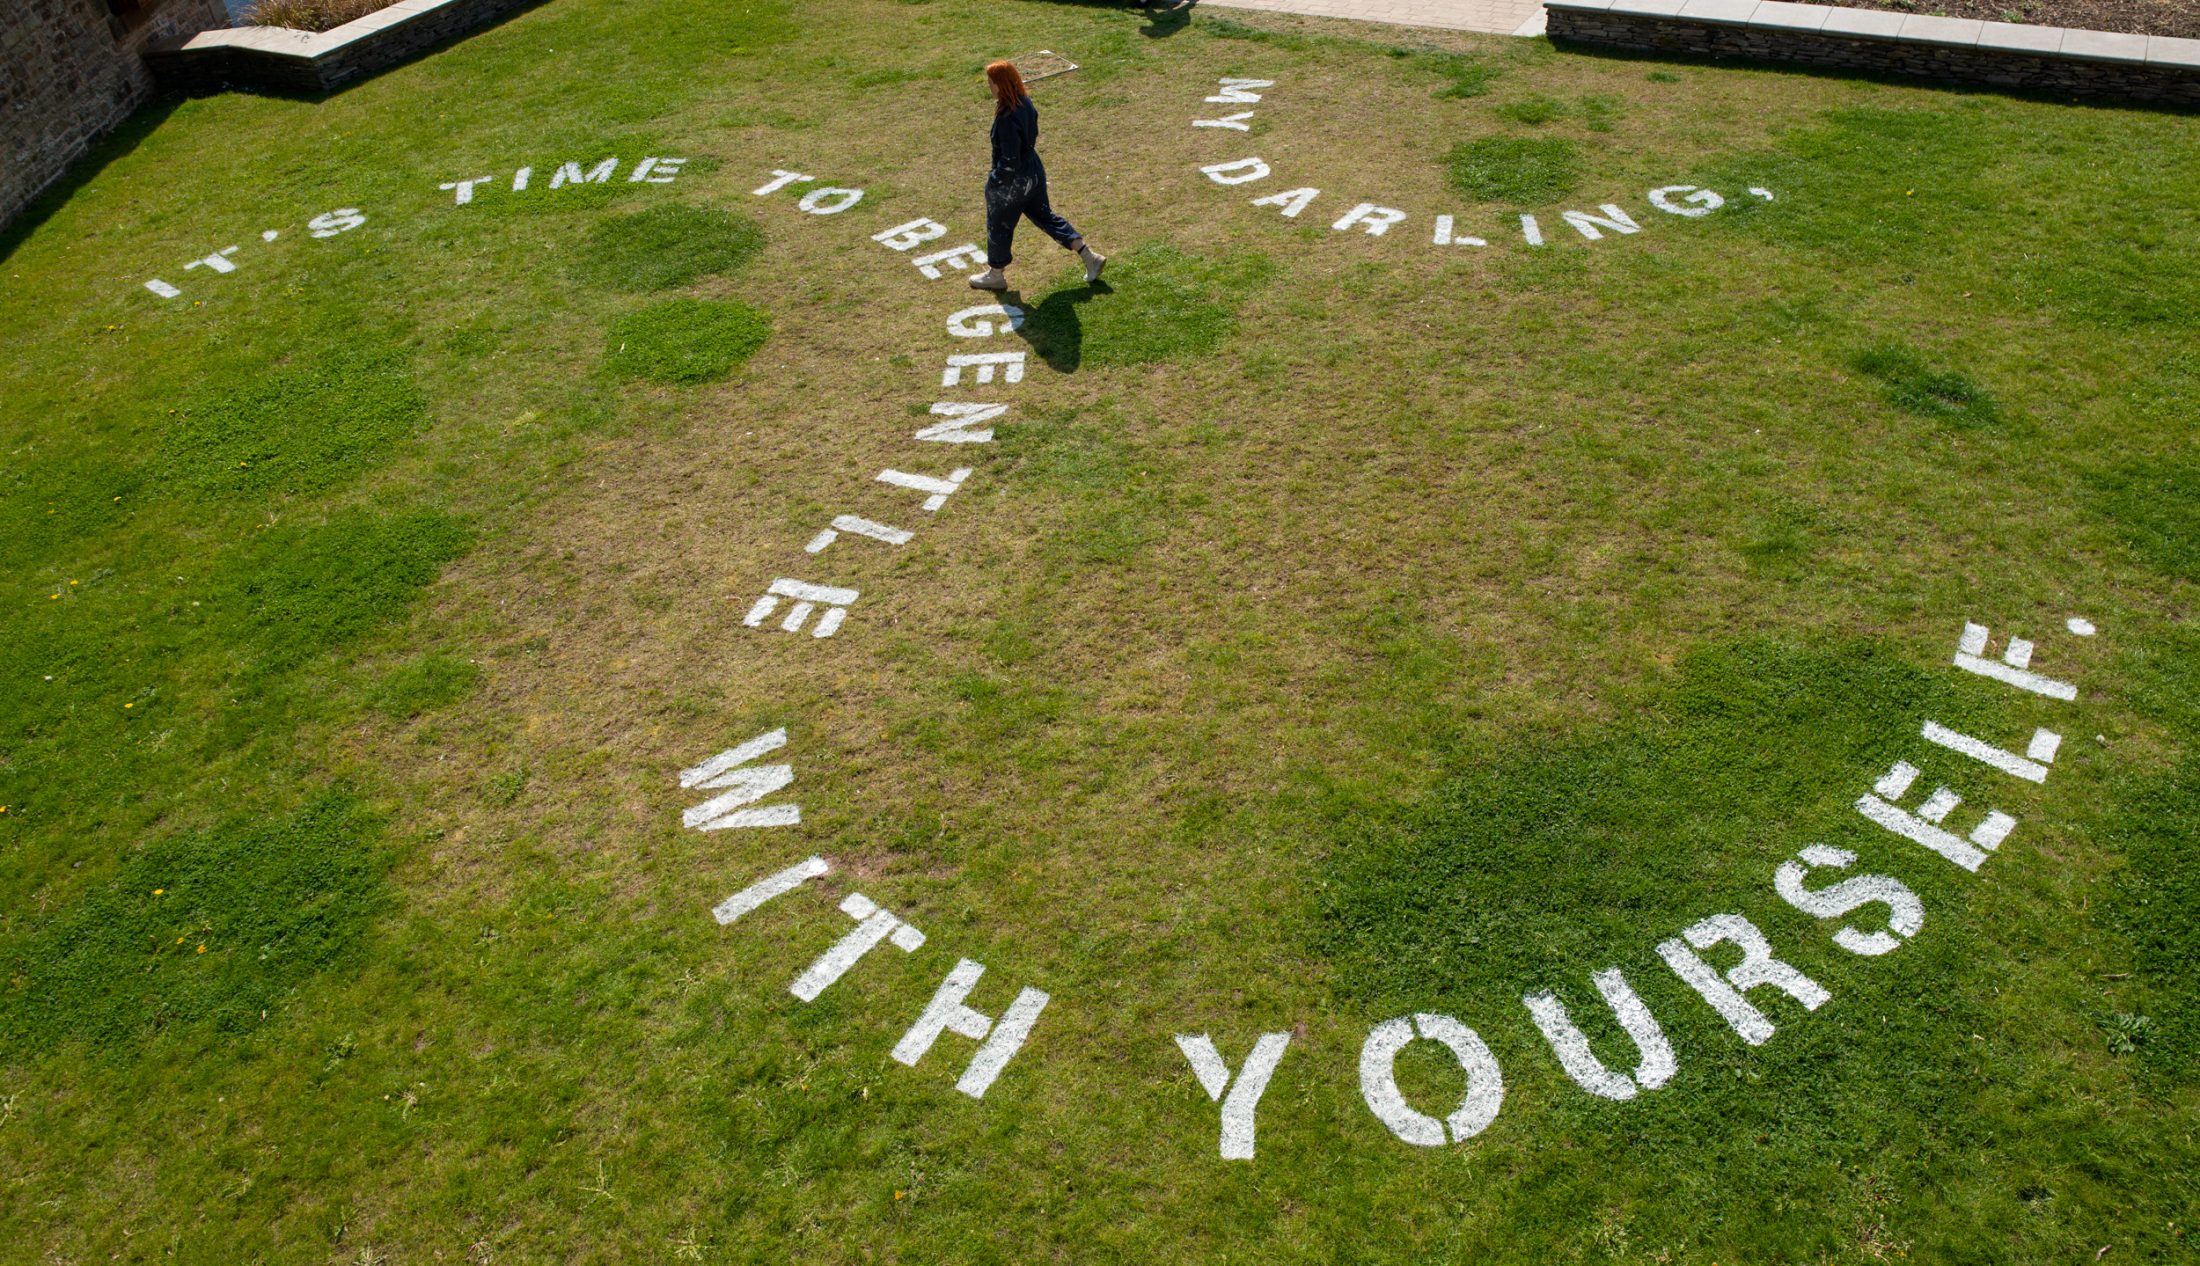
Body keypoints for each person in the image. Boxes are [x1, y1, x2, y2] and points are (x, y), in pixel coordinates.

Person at [968, 59, 1105, 291]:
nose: (989, 86)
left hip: (1014, 181)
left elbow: (1009, 160)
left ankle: (996, 274)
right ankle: (1088, 256)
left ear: (1001, 85)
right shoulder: (1025, 103)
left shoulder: (1006, 118)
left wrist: (994, 183)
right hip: (1033, 170)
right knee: (1046, 216)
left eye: (991, 82)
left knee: (999, 225)